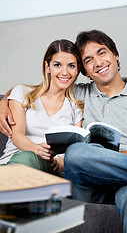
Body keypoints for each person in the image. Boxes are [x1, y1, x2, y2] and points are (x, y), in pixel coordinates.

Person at [0, 30, 127, 232]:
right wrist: (3, 103)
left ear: (115, 54)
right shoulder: (79, 93)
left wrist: (109, 159)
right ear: (84, 71)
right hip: (88, 185)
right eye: (88, 60)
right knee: (77, 152)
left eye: (102, 53)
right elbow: (35, 88)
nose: (98, 62)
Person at [0, 39, 83, 175]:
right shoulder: (22, 93)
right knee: (26, 158)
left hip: (52, 169)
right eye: (57, 65)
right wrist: (38, 149)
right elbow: (17, 136)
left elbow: (73, 151)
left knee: (28, 158)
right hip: (13, 161)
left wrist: (56, 161)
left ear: (77, 69)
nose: (65, 72)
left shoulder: (76, 108)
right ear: (47, 66)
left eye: (71, 66)